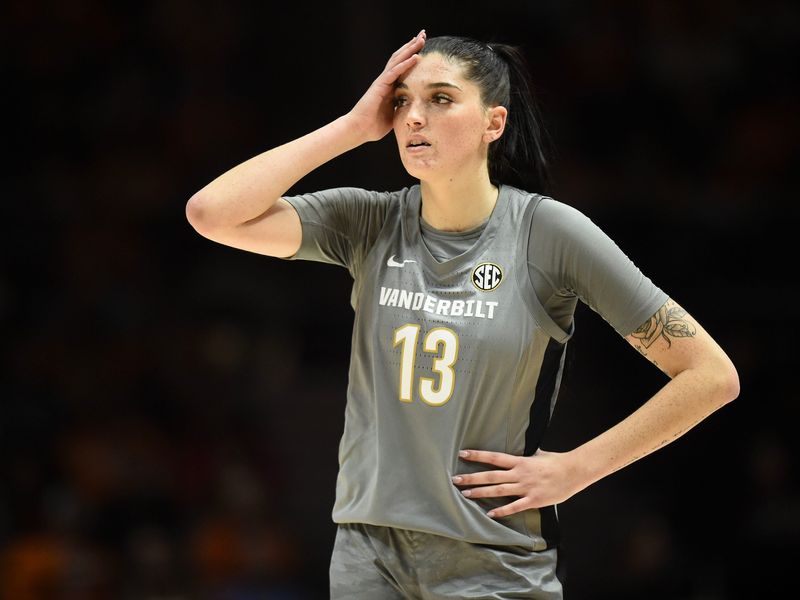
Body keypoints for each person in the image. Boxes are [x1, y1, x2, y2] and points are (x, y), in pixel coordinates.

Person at [185, 30, 739, 600]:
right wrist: (352, 127)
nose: (413, 118)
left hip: (492, 562)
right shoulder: (368, 223)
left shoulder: (548, 234)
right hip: (366, 556)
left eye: (441, 99)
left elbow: (710, 375)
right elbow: (211, 213)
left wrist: (577, 469)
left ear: (493, 123)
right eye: (402, 101)